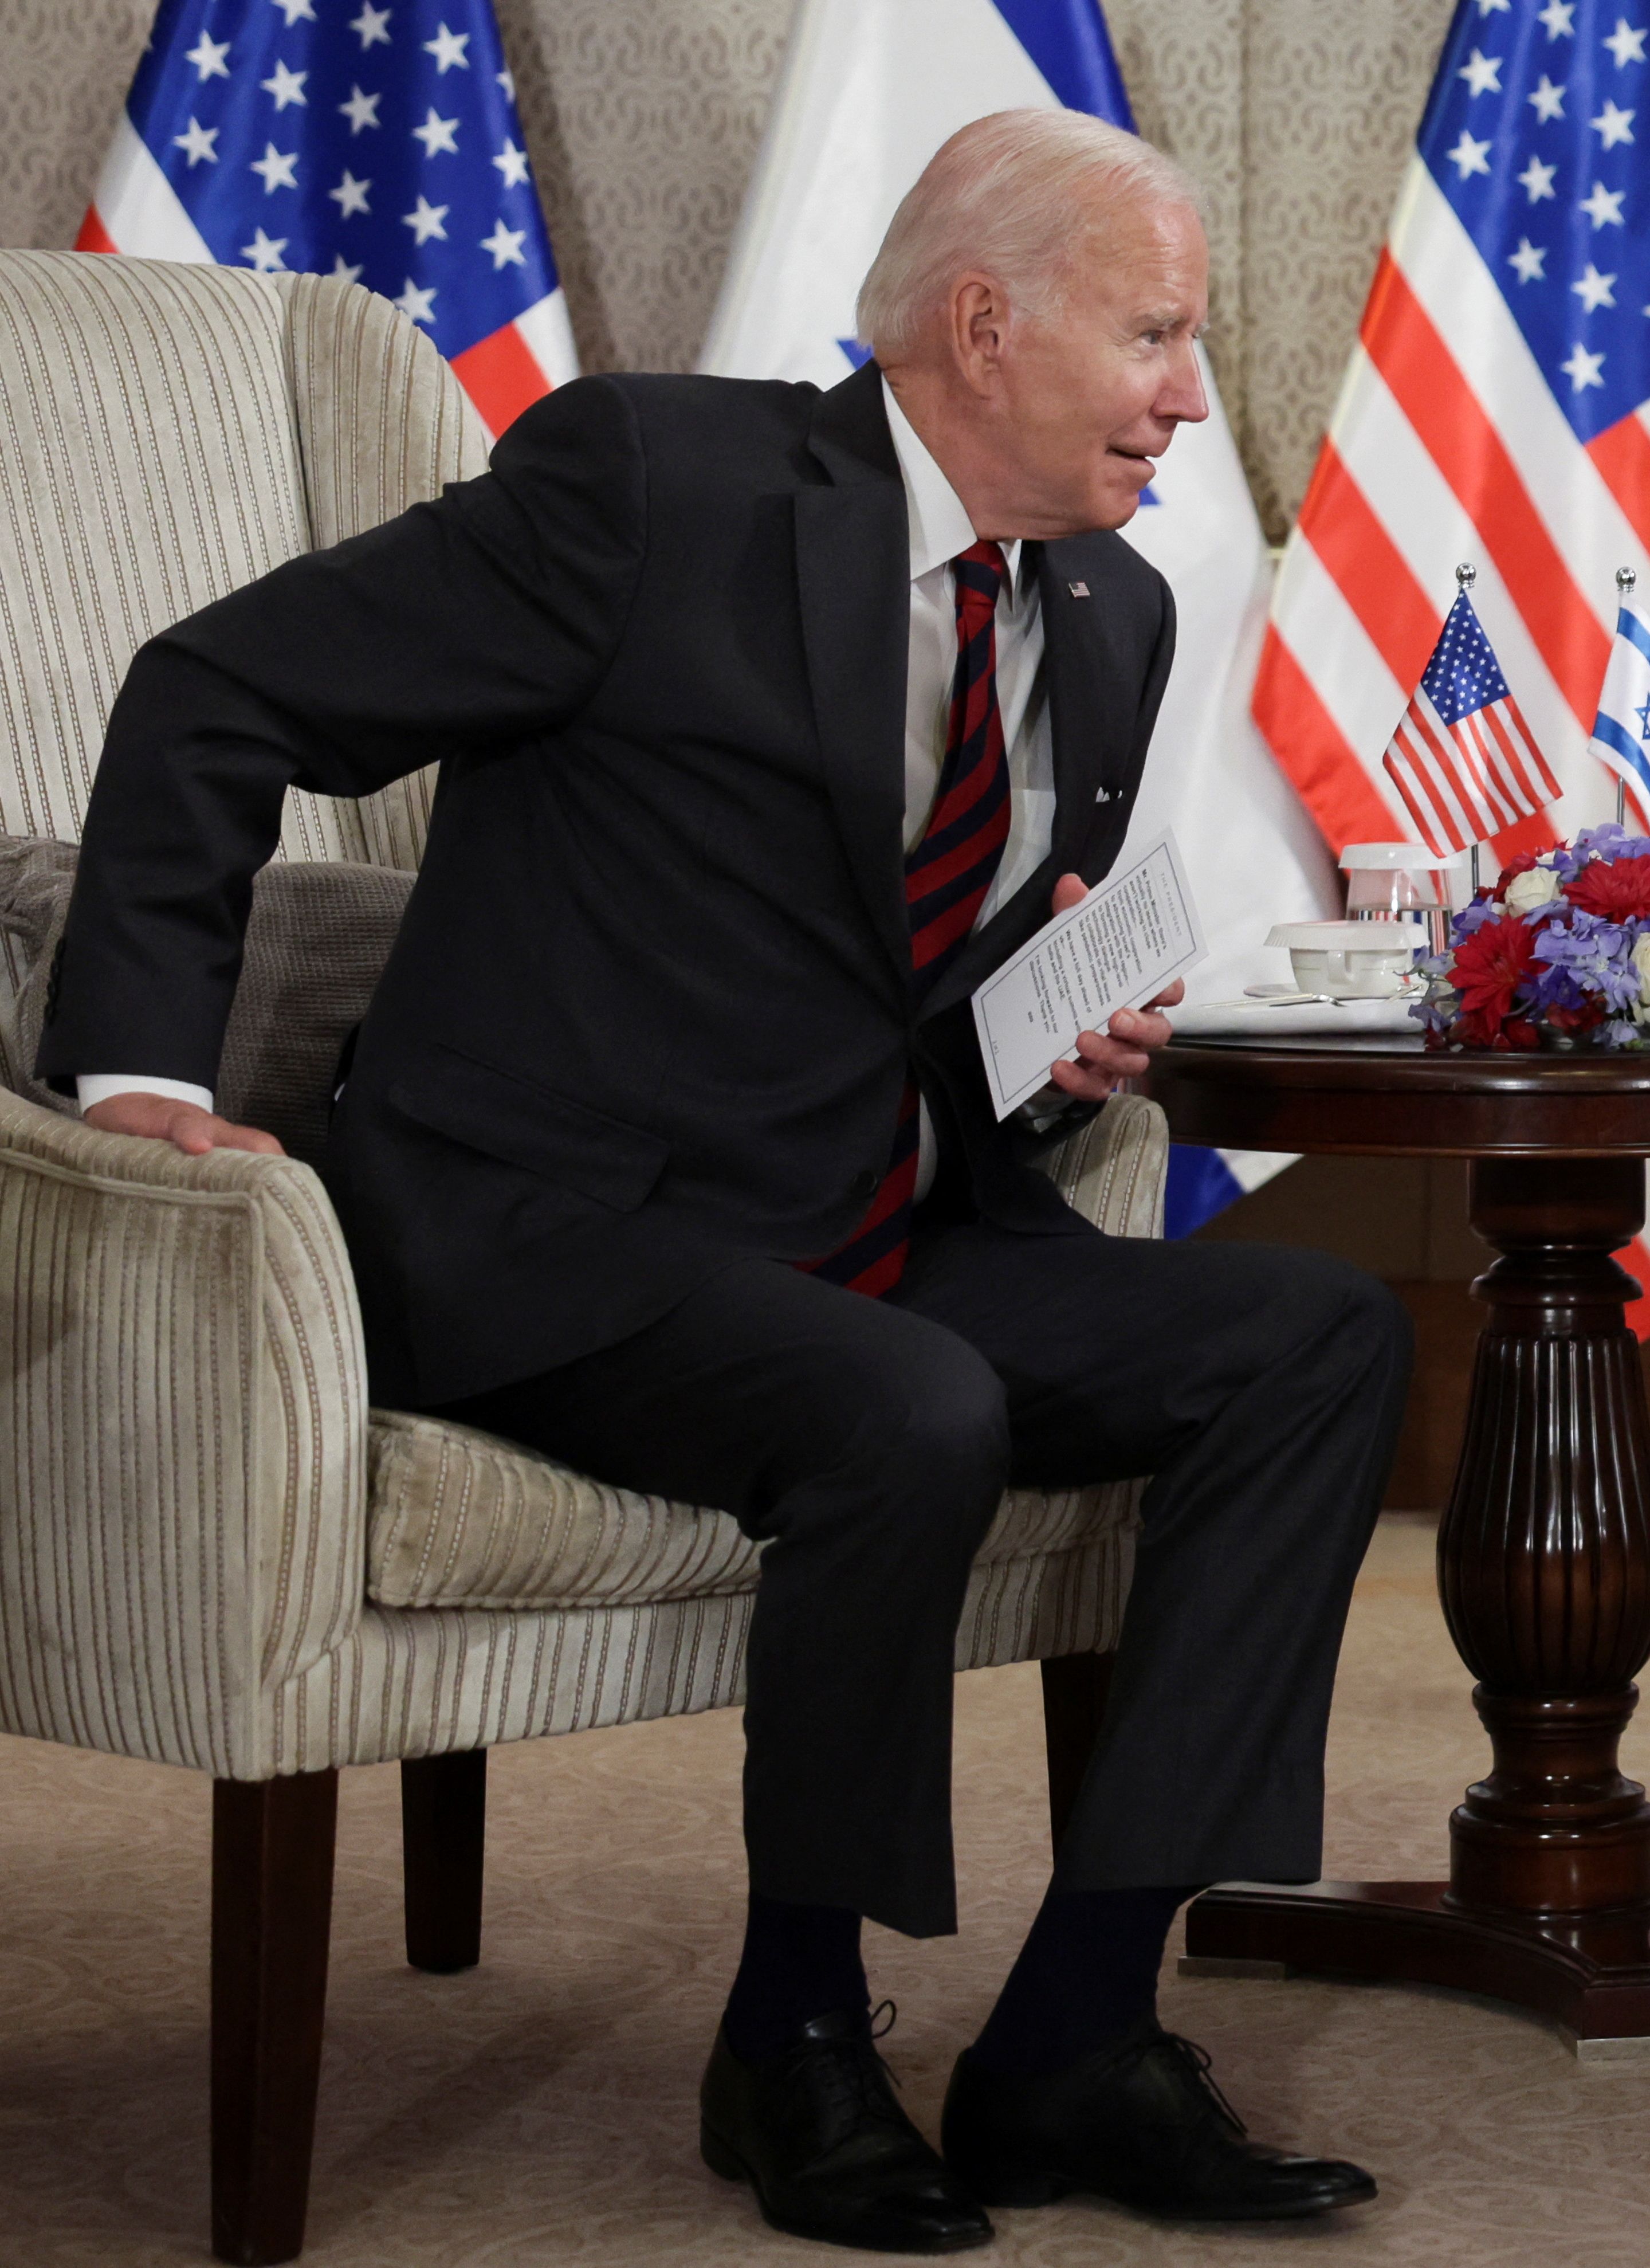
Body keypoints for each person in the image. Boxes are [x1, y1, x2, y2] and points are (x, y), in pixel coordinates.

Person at [41, 109, 1408, 2254]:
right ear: (985, 323)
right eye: (1155, 335)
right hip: (547, 1229)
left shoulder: (1113, 611)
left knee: (1316, 1334)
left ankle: (1078, 2031)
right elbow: (218, 690)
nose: (1186, 397)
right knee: (910, 1407)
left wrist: (1050, 1054)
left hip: (858, 1223)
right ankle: (790, 2040)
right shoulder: (653, 485)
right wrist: (134, 1077)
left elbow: (894, 990)